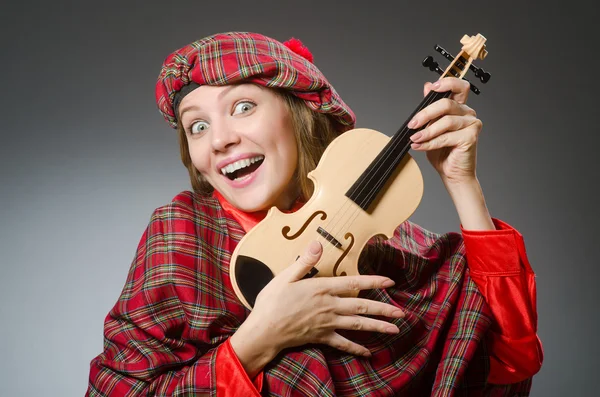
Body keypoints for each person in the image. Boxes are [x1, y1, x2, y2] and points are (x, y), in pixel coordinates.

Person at [86, 32, 543, 396]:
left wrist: (462, 183)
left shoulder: (379, 237)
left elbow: (510, 359)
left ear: (297, 113)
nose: (219, 139)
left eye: (242, 107)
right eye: (197, 125)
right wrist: (257, 342)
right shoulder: (180, 234)